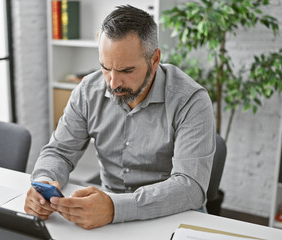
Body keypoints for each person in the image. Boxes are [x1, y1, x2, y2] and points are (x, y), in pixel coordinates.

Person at [24, 5, 215, 230]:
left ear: (155, 60)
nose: (113, 83)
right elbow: (59, 152)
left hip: (174, 218)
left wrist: (115, 207)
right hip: (106, 219)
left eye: (126, 71)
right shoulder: (88, 91)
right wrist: (44, 182)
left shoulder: (190, 100)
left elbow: (190, 187)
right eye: (106, 67)